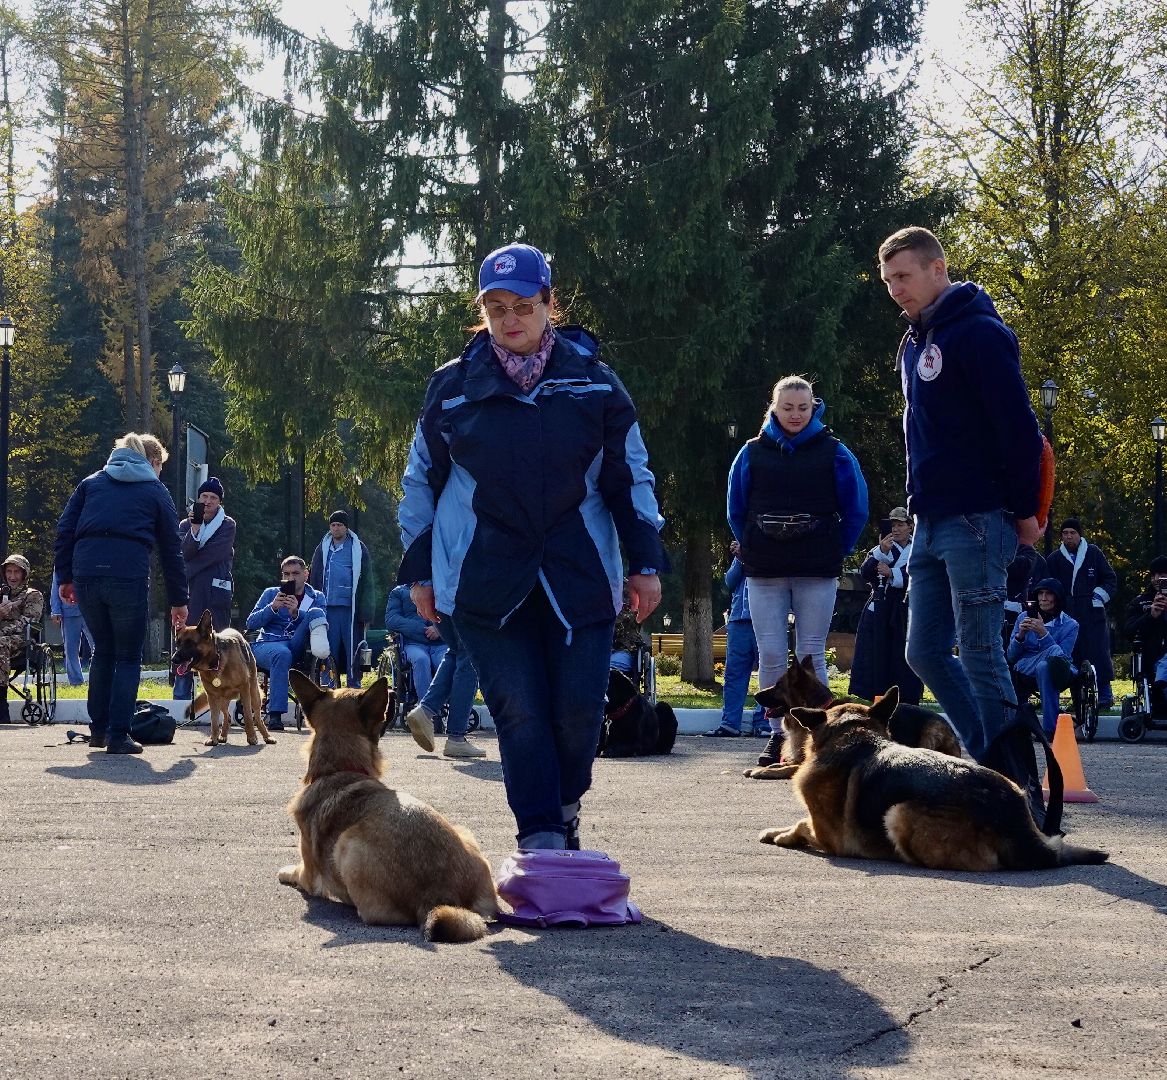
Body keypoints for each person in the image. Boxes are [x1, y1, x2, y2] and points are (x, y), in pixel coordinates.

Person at [398, 241, 667, 853]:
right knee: (518, 711)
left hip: (580, 572)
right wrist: (420, 575)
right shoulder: (453, 387)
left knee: (577, 714)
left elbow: (630, 474)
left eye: (523, 304)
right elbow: (420, 484)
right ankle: (540, 835)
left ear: (550, 302)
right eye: (495, 307)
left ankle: (565, 806)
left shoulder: (594, 382)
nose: (510, 318)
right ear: (482, 311)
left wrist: (646, 562)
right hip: (485, 576)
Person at [878, 226, 1048, 825]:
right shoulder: (911, 343)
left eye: (904, 276)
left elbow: (1019, 430)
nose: (896, 290)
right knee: (923, 651)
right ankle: (990, 769)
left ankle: (1021, 788)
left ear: (938, 269)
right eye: (888, 281)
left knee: (979, 650)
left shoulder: (979, 332)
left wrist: (1026, 513)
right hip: (929, 518)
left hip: (981, 516)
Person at [727, 375, 868, 697]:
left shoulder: (836, 452)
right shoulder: (750, 452)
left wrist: (838, 548)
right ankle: (778, 733)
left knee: (811, 653)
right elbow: (736, 509)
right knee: (771, 654)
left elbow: (856, 509)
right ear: (774, 408)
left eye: (803, 407)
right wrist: (751, 545)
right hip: (764, 567)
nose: (796, 414)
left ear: (813, 408)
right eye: (788, 407)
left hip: (817, 566)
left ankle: (817, 733)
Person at [54, 433, 188, 754]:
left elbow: (64, 529)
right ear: (152, 462)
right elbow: (172, 549)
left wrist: (66, 578)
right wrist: (178, 600)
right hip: (127, 574)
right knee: (128, 656)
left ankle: (98, 730)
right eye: (161, 467)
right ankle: (118, 735)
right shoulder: (155, 489)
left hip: (87, 574)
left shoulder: (91, 482)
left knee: (103, 651)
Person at [385, 582, 482, 756]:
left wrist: (437, 630)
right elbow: (392, 619)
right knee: (465, 654)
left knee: (453, 656)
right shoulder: (398, 592)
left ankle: (427, 712)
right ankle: (451, 732)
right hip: (415, 641)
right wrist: (421, 629)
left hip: (438, 639)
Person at [848, 507, 923, 705]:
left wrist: (894, 574)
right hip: (881, 610)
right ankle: (878, 701)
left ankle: (907, 701)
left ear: (910, 526)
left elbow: (922, 576)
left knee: (903, 657)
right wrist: (881, 554)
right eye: (893, 525)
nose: (896, 529)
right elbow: (866, 573)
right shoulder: (881, 549)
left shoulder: (919, 550)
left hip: (905, 610)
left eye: (900, 525)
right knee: (877, 657)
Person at [247, 555, 330, 731]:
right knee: (281, 654)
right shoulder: (271, 593)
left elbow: (319, 617)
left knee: (316, 612)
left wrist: (295, 613)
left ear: (306, 574)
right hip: (268, 644)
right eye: (286, 574)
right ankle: (275, 715)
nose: (290, 578)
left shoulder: (316, 597)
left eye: (295, 573)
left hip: (297, 643)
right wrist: (273, 607)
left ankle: (322, 648)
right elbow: (251, 623)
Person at [173, 477, 236, 700]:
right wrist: (196, 530)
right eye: (204, 497)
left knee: (216, 646)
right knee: (185, 645)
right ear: (198, 499)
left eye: (213, 498)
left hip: (216, 595)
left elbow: (216, 554)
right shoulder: (184, 525)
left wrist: (189, 568)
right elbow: (182, 554)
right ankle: (181, 698)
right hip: (190, 595)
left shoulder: (227, 524)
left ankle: (219, 696)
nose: (208, 501)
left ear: (219, 502)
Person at [1046, 518, 1118, 707]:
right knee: (1072, 654)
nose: (1069, 537)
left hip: (1092, 613)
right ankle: (1078, 698)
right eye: (1065, 533)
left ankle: (1105, 695)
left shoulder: (1093, 553)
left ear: (1080, 534)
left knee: (1098, 652)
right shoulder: (1054, 559)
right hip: (1068, 613)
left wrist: (1099, 597)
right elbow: (1049, 585)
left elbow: (1110, 579)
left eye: (1072, 533)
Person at [703, 542, 768, 737]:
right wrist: (740, 558)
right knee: (734, 674)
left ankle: (764, 723)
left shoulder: (772, 549)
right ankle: (730, 723)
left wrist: (752, 553)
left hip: (766, 619)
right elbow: (730, 582)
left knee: (769, 672)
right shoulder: (741, 552)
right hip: (739, 620)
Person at [1007, 577, 1079, 738]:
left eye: (1048, 594)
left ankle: (1049, 730)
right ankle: (1050, 728)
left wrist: (1043, 634)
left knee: (1045, 667)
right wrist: (1021, 635)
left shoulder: (1071, 625)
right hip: (1026, 668)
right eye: (1040, 594)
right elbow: (1011, 657)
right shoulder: (1023, 617)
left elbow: (1062, 658)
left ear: (1058, 598)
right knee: (1046, 663)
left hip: (1058, 670)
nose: (1043, 598)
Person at [309, 511, 374, 688]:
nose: (336, 528)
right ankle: (328, 682)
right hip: (327, 608)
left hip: (350, 609)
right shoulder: (322, 548)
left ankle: (354, 683)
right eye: (333, 525)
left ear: (346, 527)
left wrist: (367, 610)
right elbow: (315, 576)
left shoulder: (358, 548)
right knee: (328, 647)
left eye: (339, 525)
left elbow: (368, 580)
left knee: (353, 647)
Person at [1, 554, 46, 718]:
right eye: (9, 571)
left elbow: (29, 621)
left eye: (16, 572)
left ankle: (1, 705)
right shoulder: (1, 593)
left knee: (1, 643)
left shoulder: (32, 595)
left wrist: (5, 630)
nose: (12, 576)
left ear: (24, 574)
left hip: (22, 640)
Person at [1123, 555, 1167, 705]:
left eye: (1162, 575)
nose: (1156, 579)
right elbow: (1129, 631)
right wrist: (1151, 616)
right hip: (1151, 656)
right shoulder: (1140, 602)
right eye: (1154, 575)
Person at [50, 568, 94, 687]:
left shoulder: (88, 556)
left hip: (91, 610)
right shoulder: (62, 562)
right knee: (71, 651)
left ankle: (98, 678)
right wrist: (55, 610)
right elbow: (55, 586)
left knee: (99, 648)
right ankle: (76, 681)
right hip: (68, 612)